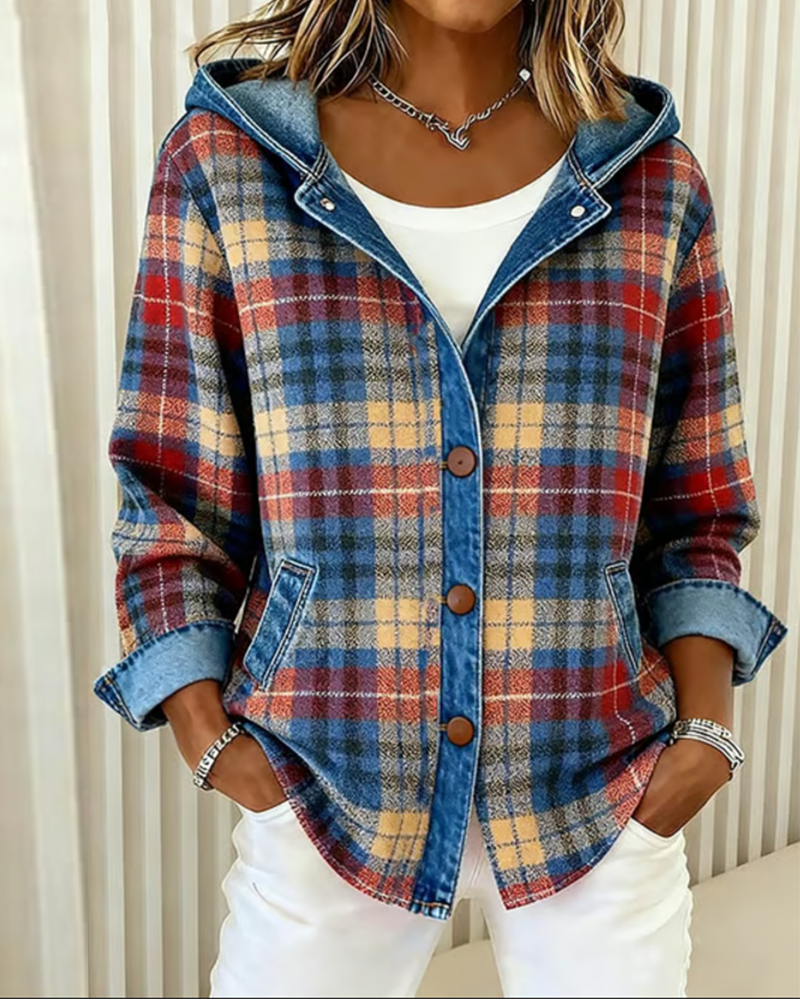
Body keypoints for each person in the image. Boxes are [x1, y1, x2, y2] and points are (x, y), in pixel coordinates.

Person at [93, 1, 788, 997]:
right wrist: (211, 742)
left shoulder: (648, 180)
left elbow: (695, 500)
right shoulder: (228, 164)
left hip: (600, 781)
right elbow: (172, 489)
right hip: (324, 785)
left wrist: (706, 736)